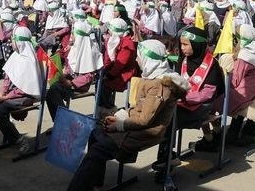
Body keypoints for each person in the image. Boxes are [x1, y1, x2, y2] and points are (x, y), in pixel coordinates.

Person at [67, 40, 189, 191]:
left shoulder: (160, 85)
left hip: (146, 131)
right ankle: (94, 182)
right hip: (137, 125)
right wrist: (120, 115)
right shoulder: (153, 76)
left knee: (98, 151)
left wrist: (118, 125)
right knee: (95, 134)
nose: (137, 60)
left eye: (139, 56)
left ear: (148, 59)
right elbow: (138, 108)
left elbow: (145, 120)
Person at [152, 27, 224, 171]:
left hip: (201, 107)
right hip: (181, 105)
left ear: (197, 45)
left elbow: (207, 94)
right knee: (166, 113)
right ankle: (166, 158)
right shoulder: (183, 61)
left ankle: (166, 158)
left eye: (186, 44)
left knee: (169, 117)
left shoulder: (212, 65)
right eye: (181, 44)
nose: (182, 48)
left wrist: (184, 97)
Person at [0, 26, 44, 156]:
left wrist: (6, 97)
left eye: (13, 40)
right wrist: (2, 92)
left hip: (25, 95)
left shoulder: (29, 60)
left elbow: (25, 88)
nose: (11, 43)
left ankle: (19, 140)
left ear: (19, 42)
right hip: (12, 95)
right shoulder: (15, 56)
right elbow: (8, 77)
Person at [45, 19, 103, 121]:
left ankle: (62, 121)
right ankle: (61, 120)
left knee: (53, 92)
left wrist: (71, 83)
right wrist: (65, 73)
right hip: (69, 80)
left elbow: (89, 76)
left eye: (74, 33)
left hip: (80, 85)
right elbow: (70, 65)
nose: (71, 36)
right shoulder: (75, 47)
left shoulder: (89, 50)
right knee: (51, 91)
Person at [98, 18, 137, 118]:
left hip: (125, 73)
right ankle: (102, 107)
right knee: (100, 82)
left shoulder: (127, 43)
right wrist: (106, 70)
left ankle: (108, 109)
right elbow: (108, 58)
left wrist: (111, 74)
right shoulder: (113, 39)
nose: (109, 32)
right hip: (115, 70)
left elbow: (121, 63)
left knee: (104, 85)